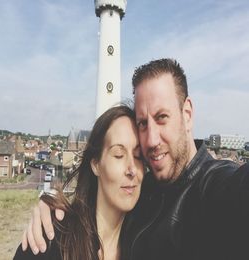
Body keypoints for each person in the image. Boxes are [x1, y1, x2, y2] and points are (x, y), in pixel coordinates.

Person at [22, 59, 249, 260]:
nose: (150, 140)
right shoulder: (140, 199)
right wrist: (52, 206)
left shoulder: (217, 187)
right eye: (142, 123)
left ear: (187, 114)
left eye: (162, 117)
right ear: (95, 163)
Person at [14, 105, 144, 260]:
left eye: (138, 155)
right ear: (96, 164)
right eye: (118, 155)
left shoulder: (146, 243)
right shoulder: (50, 242)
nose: (132, 169)